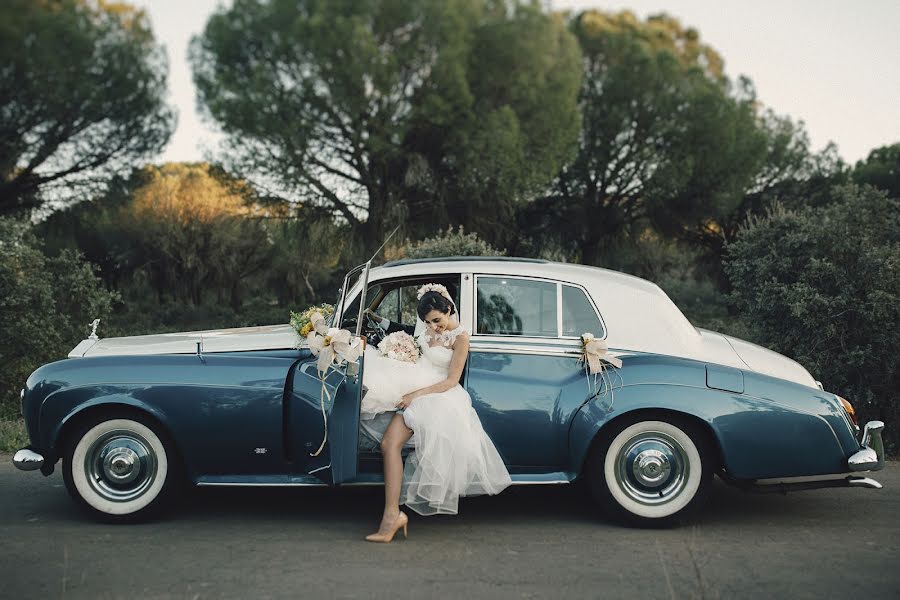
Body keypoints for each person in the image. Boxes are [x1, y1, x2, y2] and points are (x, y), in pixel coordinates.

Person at [362, 284, 512, 543]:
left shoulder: (461, 337)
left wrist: (414, 395)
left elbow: (452, 380)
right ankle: (393, 516)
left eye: (437, 321)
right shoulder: (426, 330)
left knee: (390, 444)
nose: (433, 327)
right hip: (416, 384)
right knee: (388, 445)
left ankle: (390, 519)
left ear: (449, 310)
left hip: (438, 396)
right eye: (427, 322)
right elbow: (417, 347)